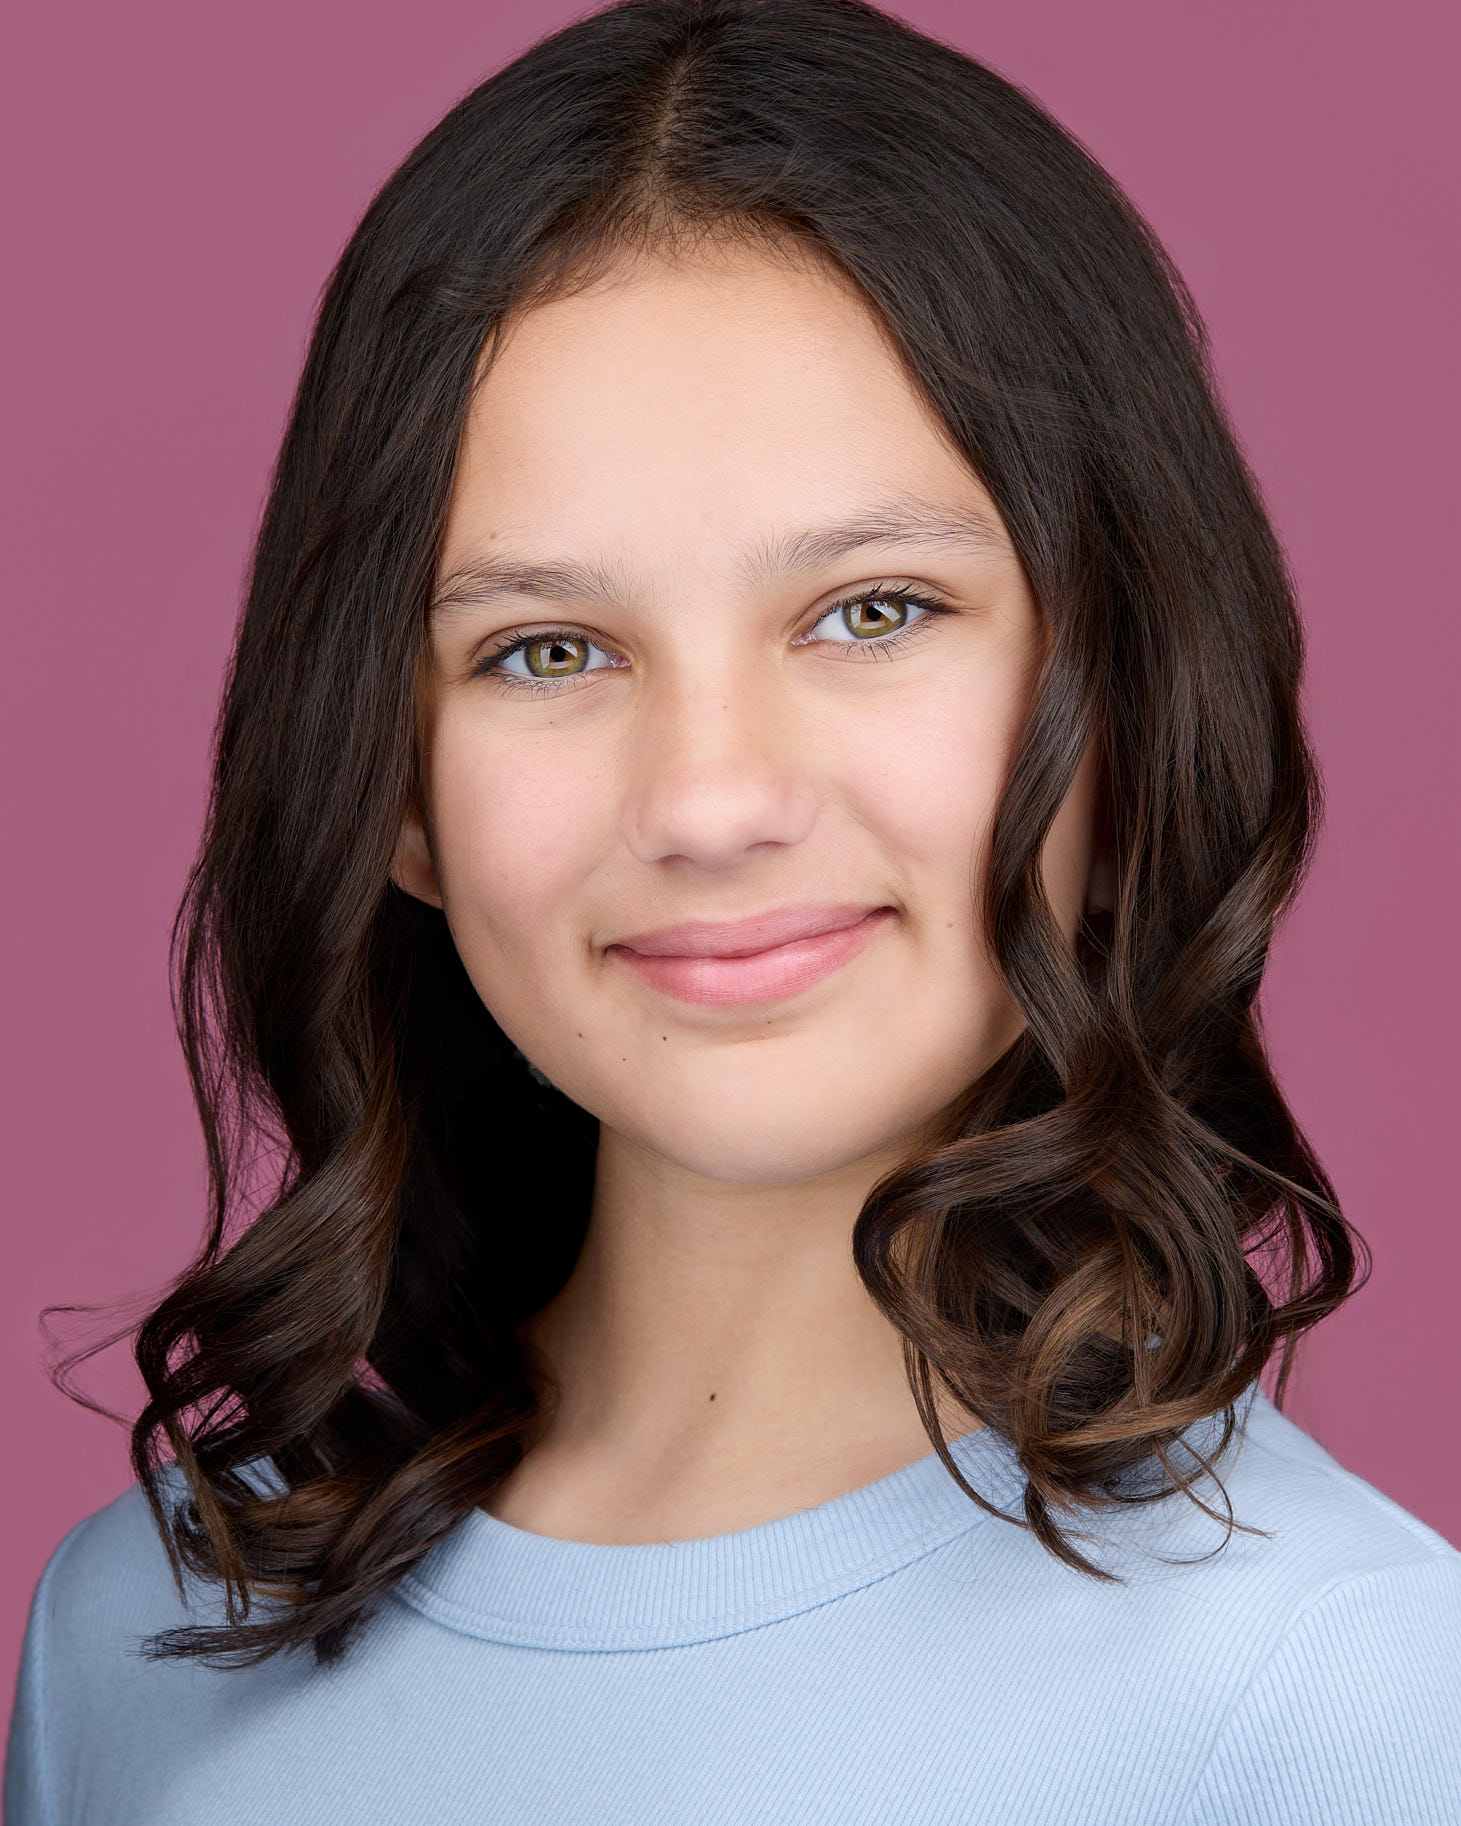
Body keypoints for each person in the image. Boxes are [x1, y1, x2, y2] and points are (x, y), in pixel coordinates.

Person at [7, 0, 1460, 1819]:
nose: (707, 800)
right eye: (547, 648)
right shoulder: (136, 1638)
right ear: (390, 786)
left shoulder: (1356, 1704)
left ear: (1128, 683)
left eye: (869, 610)